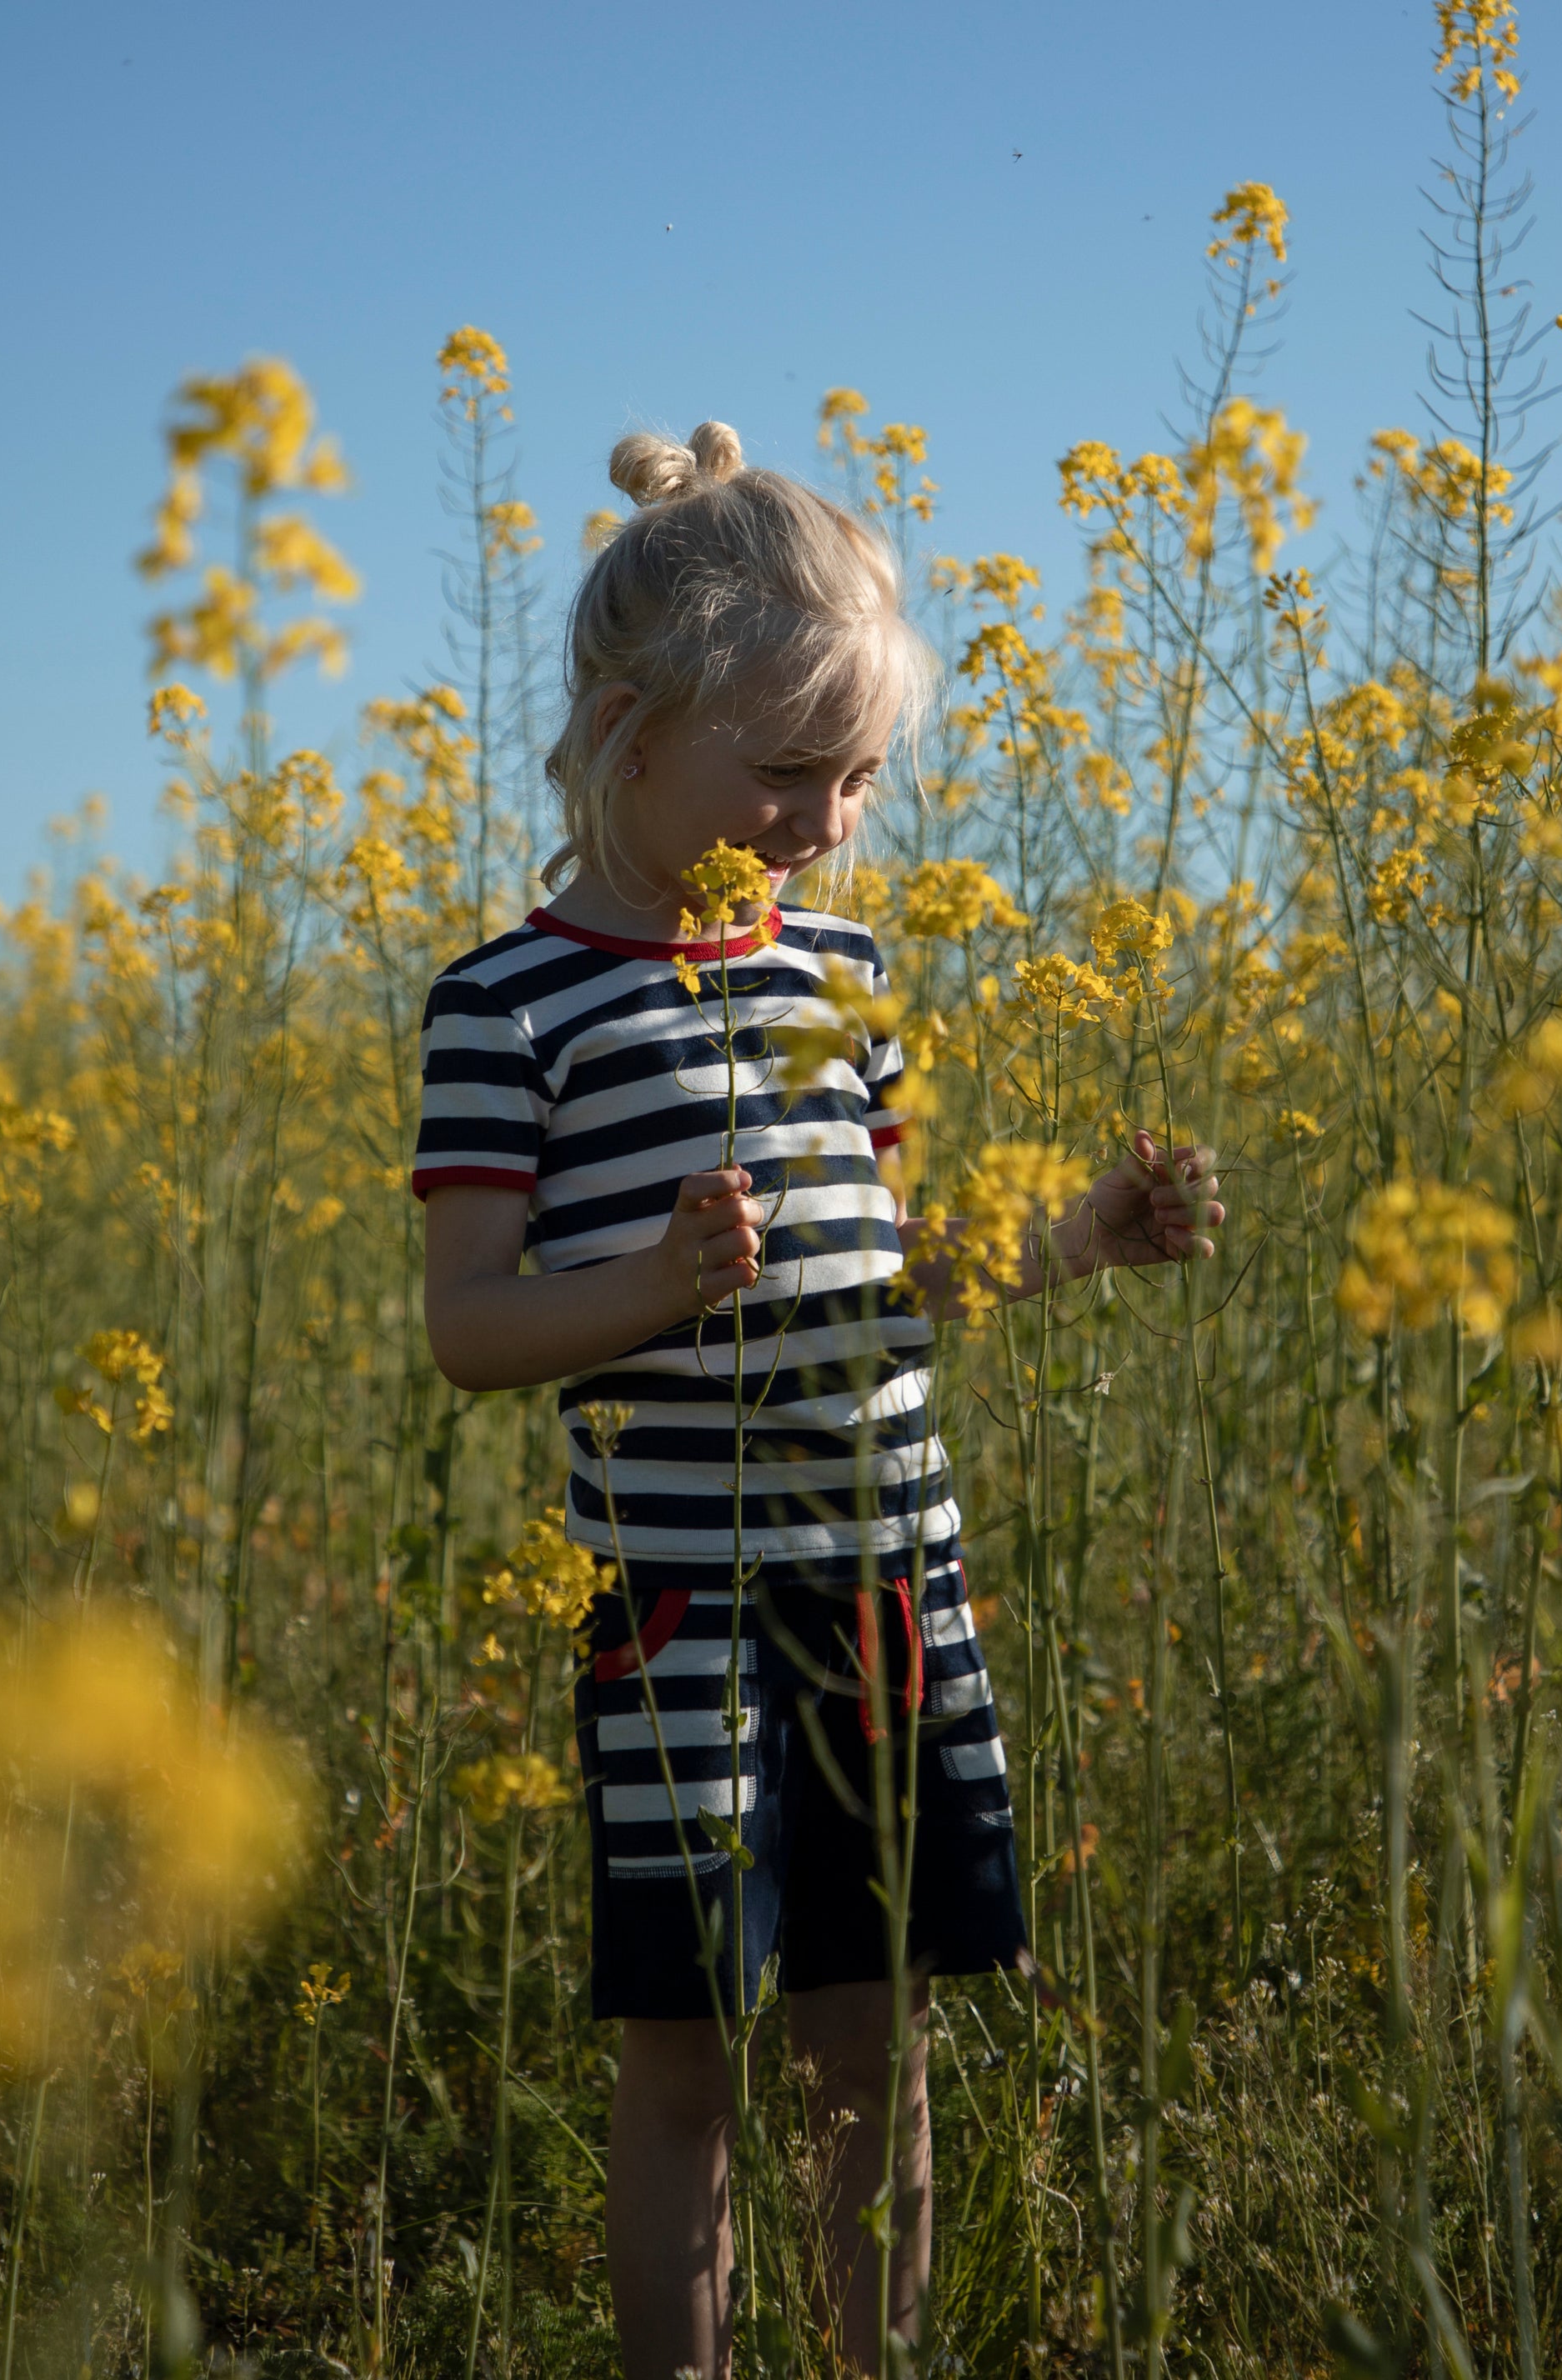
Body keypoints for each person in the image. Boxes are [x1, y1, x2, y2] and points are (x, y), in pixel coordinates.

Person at [416, 420, 1224, 2380]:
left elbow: (900, 1260)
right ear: (621, 730)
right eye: (787, 773)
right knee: (684, 2052)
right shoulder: (508, 1005)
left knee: (877, 2044)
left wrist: (1077, 1240)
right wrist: (653, 1285)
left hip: (883, 1580)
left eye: (859, 777)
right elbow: (469, 1328)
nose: (831, 820)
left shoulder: (844, 964)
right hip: (672, 1608)